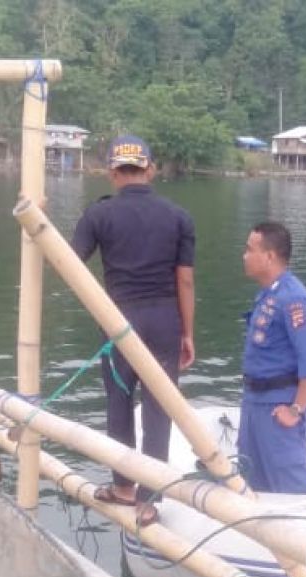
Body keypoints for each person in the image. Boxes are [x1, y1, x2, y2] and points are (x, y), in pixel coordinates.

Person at [71, 134, 196, 525]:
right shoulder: (178, 216)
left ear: (111, 173)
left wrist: (102, 312)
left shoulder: (98, 215)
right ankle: (149, 500)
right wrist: (187, 334)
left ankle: (122, 486)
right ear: (151, 170)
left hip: (118, 321)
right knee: (159, 409)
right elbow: (186, 281)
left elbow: (71, 266)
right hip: (164, 320)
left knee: (118, 402)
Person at [237, 222, 306, 494]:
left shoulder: (293, 300)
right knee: (252, 480)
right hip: (254, 403)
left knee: (291, 486)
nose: (244, 255)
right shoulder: (268, 295)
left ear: (269, 256)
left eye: (250, 249)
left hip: (278, 408)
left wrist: (295, 410)